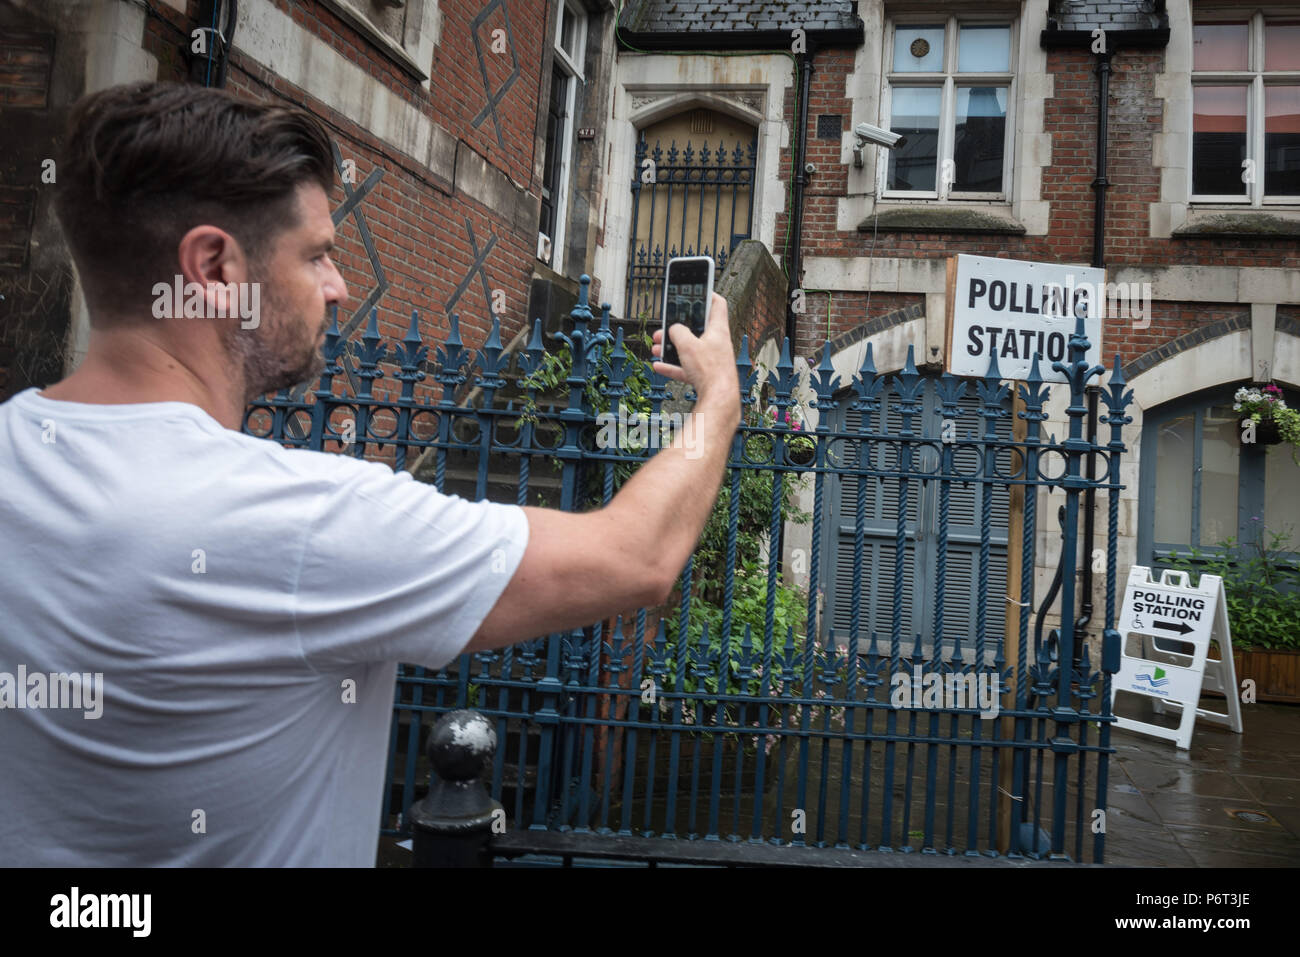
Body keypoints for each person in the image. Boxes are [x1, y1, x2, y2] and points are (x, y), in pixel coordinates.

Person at [0, 81, 740, 866]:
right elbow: (638, 556)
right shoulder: (300, 520)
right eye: (316, 254)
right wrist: (720, 396)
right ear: (214, 268)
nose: (339, 285)